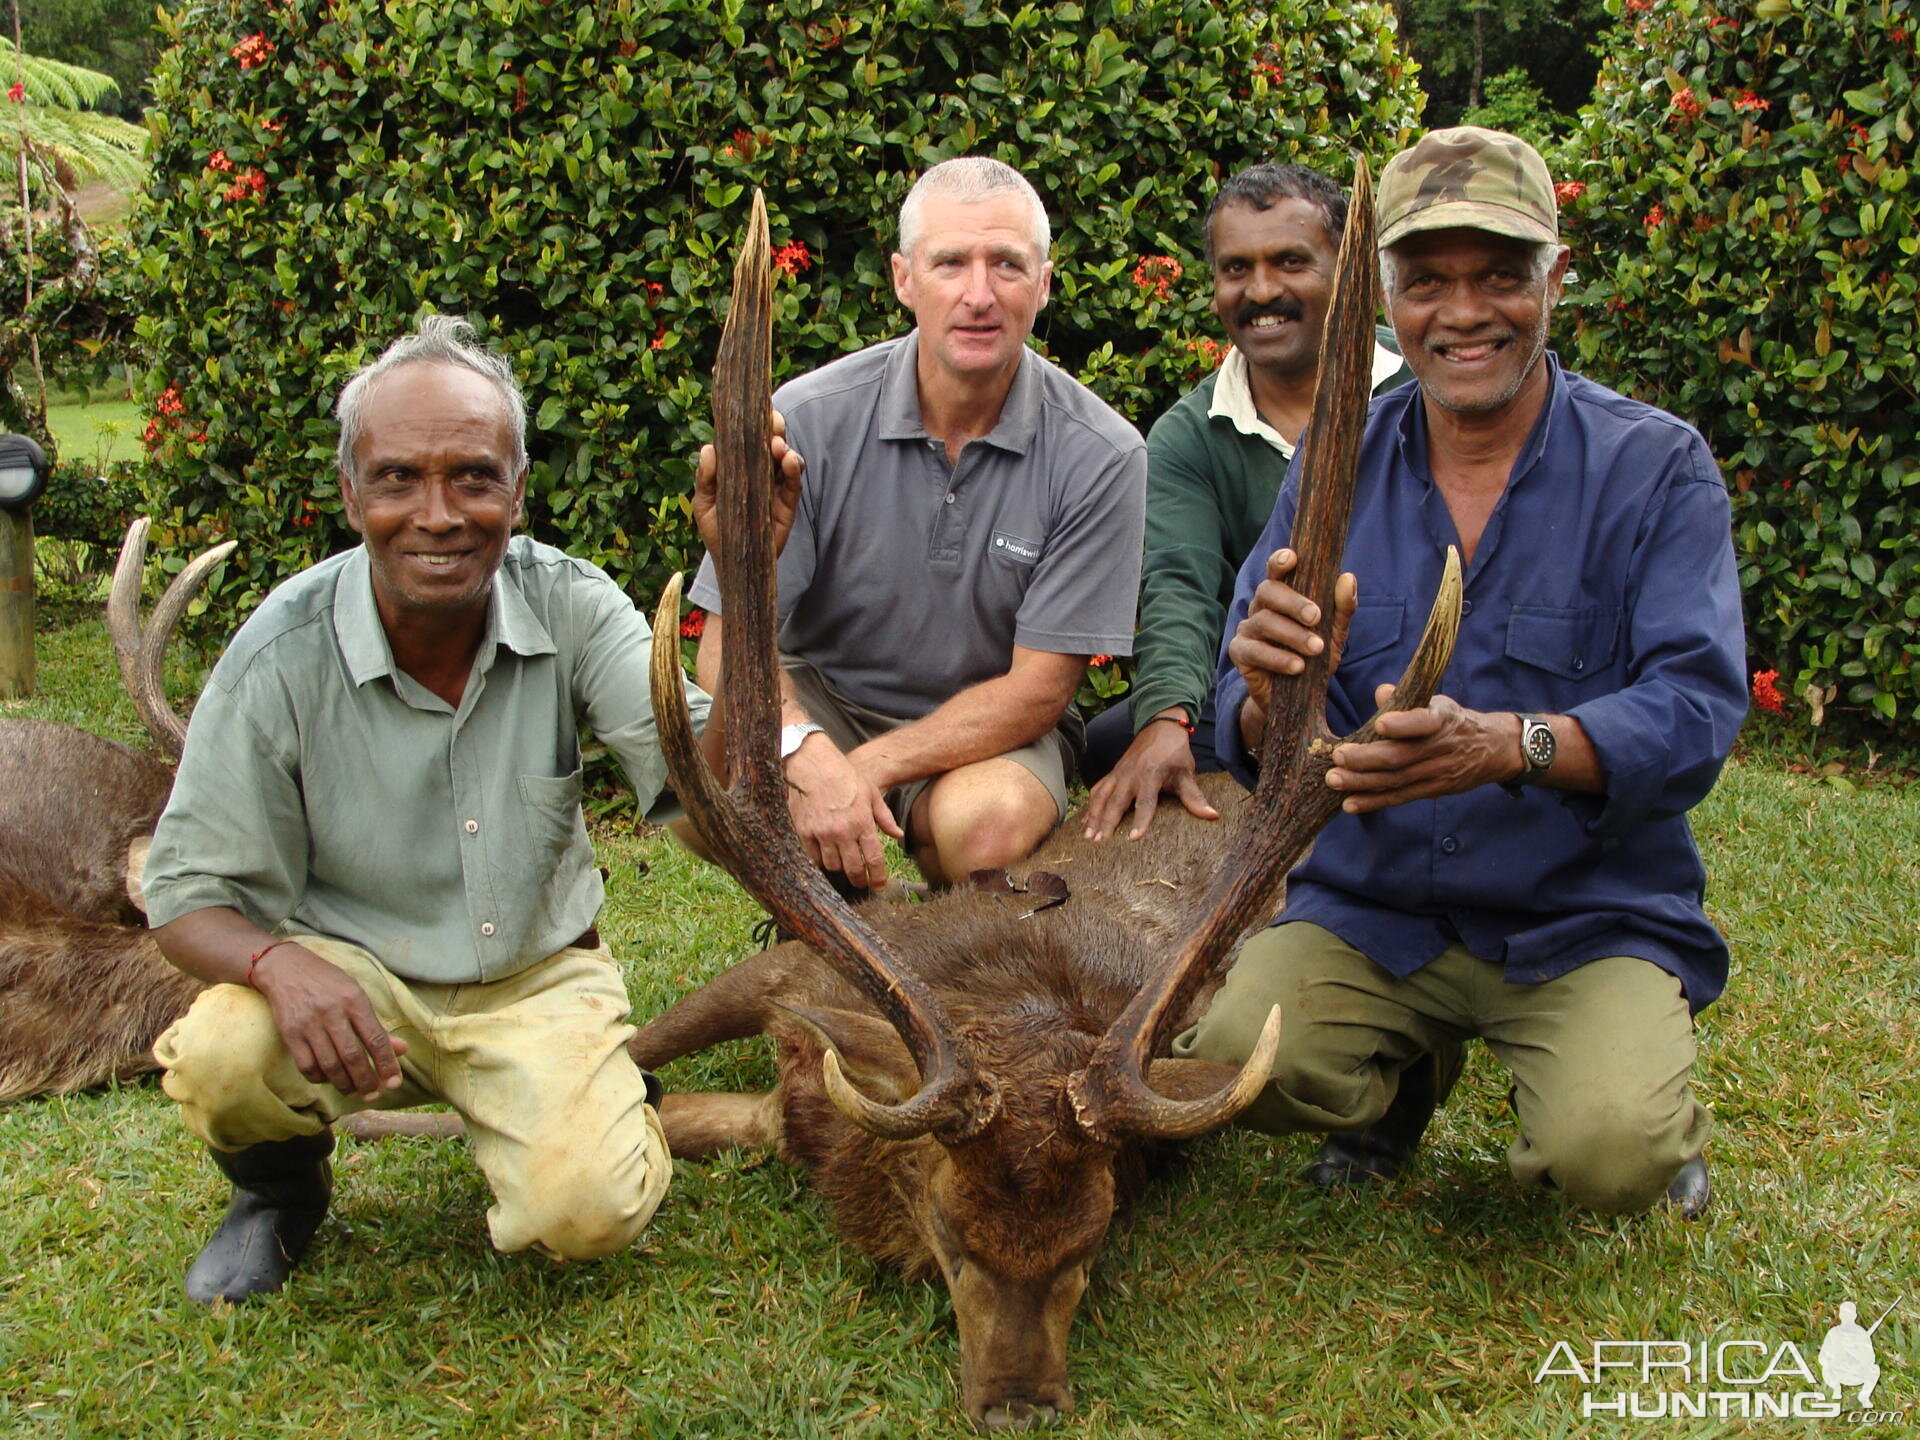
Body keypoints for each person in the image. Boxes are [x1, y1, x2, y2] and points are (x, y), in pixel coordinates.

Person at [143, 316, 801, 1303]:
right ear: (352, 492)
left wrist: (745, 575)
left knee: (585, 1213)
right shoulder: (279, 653)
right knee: (223, 1053)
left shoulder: (573, 606)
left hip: (534, 977)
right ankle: (277, 1194)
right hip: (351, 983)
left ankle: (591, 1099)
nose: (439, 514)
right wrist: (280, 966)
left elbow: (712, 793)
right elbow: (184, 897)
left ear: (518, 490)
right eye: (401, 478)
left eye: (474, 478)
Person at [1173, 127, 1747, 1216]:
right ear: (1387, 291)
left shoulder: (1655, 468)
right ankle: (1408, 1069)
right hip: (1376, 905)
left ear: (1556, 280)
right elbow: (1246, 715)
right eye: (1428, 281)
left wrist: (1510, 746)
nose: (1464, 312)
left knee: (1607, 1159)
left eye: (1501, 276)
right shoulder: (1333, 463)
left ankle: (1640, 1115)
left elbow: (1693, 712)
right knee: (1232, 1066)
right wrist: (1261, 697)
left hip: (1582, 913)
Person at [686, 157, 1147, 891]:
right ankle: (846, 912)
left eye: (1007, 265)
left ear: (1045, 283)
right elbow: (724, 645)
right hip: (822, 702)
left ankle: (929, 922)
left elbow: (1038, 690)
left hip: (987, 740)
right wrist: (802, 749)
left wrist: (867, 768)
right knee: (726, 787)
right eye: (950, 263)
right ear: (904, 279)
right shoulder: (807, 418)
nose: (978, 295)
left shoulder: (1104, 453)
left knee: (987, 825)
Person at [1083, 163, 1412, 842]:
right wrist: (1168, 719)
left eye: (1291, 262)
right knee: (1112, 741)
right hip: (1273, 693)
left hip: (1407, 675)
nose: (1262, 291)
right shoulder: (1188, 434)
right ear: (1214, 289)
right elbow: (1180, 585)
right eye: (1237, 269)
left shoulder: (1421, 384)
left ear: (1349, 272)